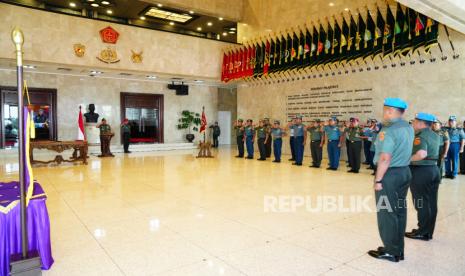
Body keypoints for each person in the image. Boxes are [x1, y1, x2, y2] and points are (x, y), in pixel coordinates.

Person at [368, 98, 414, 263]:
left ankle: (390, 251)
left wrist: (378, 180)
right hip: (404, 172)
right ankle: (397, 248)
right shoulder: (408, 127)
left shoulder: (389, 130)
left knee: (386, 212)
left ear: (390, 111)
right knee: (399, 211)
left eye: (385, 109)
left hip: (389, 175)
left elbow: (385, 157)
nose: (384, 112)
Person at [405, 112, 441, 241]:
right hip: (433, 169)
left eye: (415, 121)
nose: (413, 123)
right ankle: (427, 230)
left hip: (421, 171)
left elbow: (421, 154)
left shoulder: (420, 136)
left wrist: (406, 160)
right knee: (431, 202)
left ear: (421, 123)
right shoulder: (435, 135)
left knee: (421, 203)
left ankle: (423, 232)